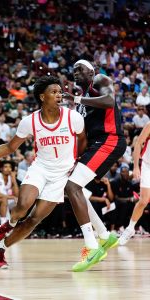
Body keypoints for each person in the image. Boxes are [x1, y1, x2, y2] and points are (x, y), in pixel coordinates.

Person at [0, 75, 106, 270]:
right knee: (23, 205)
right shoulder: (30, 121)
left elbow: (83, 140)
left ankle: (0, 248)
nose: (59, 95)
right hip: (40, 169)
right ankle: (9, 224)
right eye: (54, 92)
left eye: (60, 92)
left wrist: (76, 162)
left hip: (62, 175)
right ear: (42, 97)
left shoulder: (73, 117)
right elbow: (10, 147)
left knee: (33, 221)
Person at [62, 59, 126, 271]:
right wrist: (77, 158)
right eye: (73, 70)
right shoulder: (80, 103)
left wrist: (76, 98)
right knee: (73, 188)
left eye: (80, 69)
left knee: (72, 187)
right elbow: (84, 135)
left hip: (110, 140)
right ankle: (105, 236)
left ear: (91, 71)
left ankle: (92, 246)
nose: (76, 73)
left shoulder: (100, 80)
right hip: (96, 145)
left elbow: (109, 101)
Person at [119, 122, 150, 245]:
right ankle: (130, 229)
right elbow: (137, 144)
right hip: (148, 165)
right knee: (143, 201)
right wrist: (136, 167)